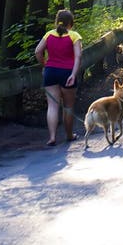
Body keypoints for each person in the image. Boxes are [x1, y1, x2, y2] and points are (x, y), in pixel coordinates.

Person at [34, 9, 82, 146]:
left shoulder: (48, 35)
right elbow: (78, 56)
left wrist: (45, 65)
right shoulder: (74, 36)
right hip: (67, 73)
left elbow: (37, 51)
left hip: (50, 73)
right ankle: (69, 135)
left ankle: (52, 137)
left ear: (57, 22)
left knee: (52, 106)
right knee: (68, 106)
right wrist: (73, 74)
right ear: (70, 23)